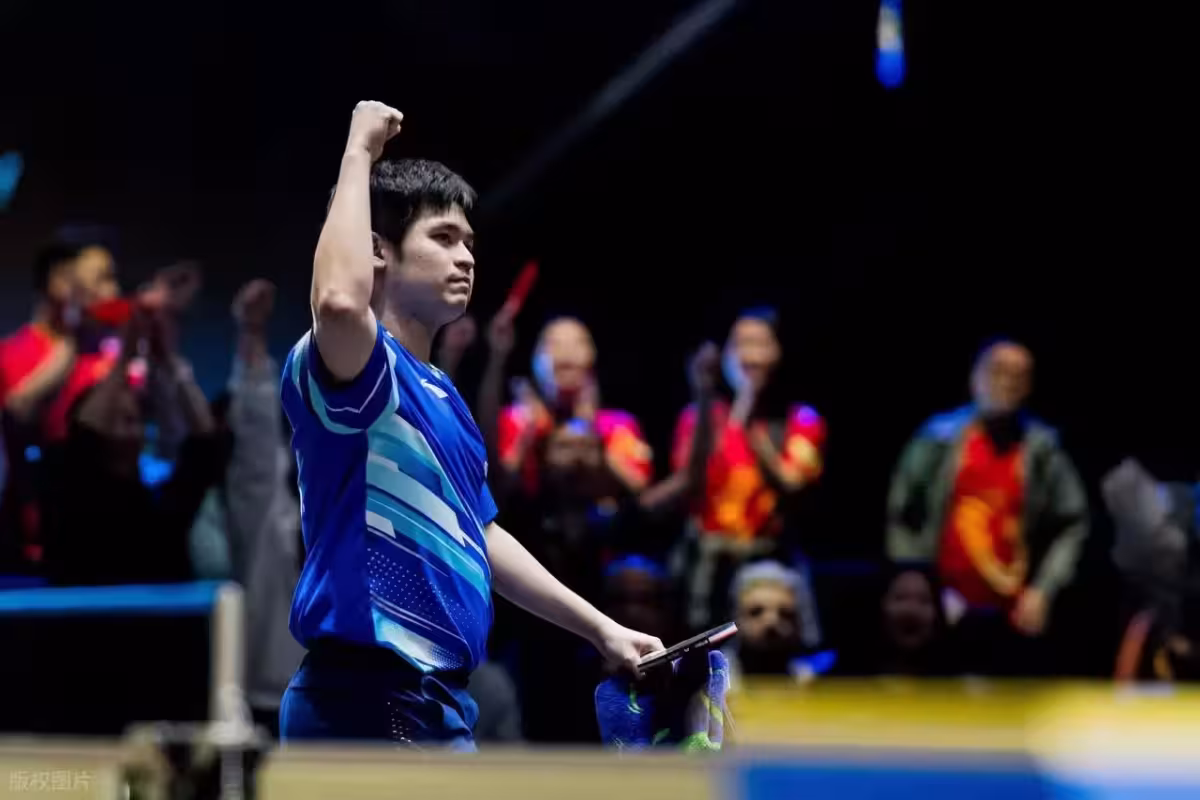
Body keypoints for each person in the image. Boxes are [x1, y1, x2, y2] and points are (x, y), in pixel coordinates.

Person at [278, 101, 663, 749]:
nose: (466, 258)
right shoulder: (363, 371)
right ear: (378, 251)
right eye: (443, 238)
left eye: (469, 243)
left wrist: (602, 629)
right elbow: (339, 302)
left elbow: (480, 534)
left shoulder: (444, 398)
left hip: (437, 699)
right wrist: (358, 151)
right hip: (364, 695)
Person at [886, 339, 1088, 675]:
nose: (1006, 383)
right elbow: (900, 512)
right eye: (997, 372)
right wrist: (915, 584)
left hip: (1013, 613)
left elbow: (1072, 522)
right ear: (975, 378)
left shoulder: (1042, 449)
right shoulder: (938, 439)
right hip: (942, 609)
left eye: (1018, 376)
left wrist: (1044, 590)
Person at [646, 308, 826, 630]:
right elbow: (691, 483)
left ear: (778, 352)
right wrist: (704, 397)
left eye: (760, 344)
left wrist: (750, 423)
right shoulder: (699, 417)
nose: (749, 356)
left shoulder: (800, 419)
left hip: (769, 561)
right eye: (741, 344)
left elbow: (793, 483)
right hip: (706, 565)